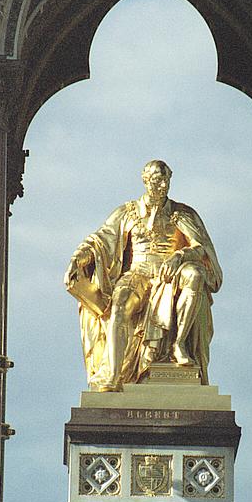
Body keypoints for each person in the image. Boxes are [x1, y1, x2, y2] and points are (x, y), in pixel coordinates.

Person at [65, 160, 222, 390]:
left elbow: (203, 249)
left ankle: (179, 345)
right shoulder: (127, 212)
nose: (162, 185)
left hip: (170, 276)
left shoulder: (184, 214)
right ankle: (113, 375)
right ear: (146, 180)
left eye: (166, 179)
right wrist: (77, 259)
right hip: (137, 274)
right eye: (157, 180)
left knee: (196, 274)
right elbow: (99, 241)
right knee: (119, 306)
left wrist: (181, 256)